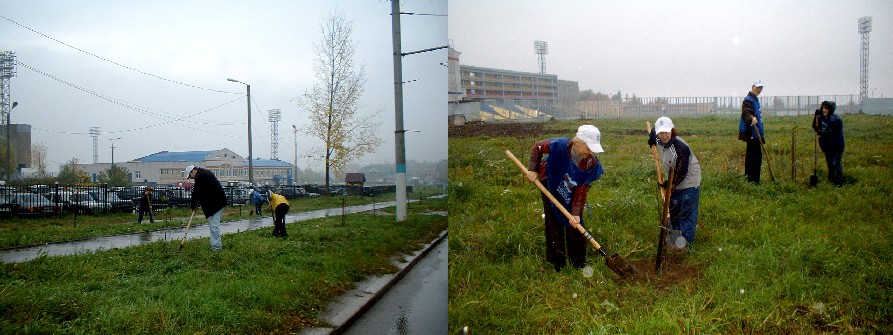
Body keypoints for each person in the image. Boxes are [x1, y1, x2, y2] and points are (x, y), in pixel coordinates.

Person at [526, 125, 605, 272]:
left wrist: (575, 213)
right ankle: (557, 263)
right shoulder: (559, 145)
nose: (591, 152)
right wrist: (533, 169)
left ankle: (578, 262)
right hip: (549, 183)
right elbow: (537, 148)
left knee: (575, 223)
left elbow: (582, 188)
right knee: (553, 221)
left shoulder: (590, 162)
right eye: (589, 148)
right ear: (578, 143)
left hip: (572, 190)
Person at [648, 117, 702, 251]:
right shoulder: (658, 139)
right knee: (674, 210)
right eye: (661, 133)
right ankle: (674, 239)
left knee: (686, 211)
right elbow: (653, 133)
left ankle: (685, 244)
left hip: (689, 180)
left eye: (667, 132)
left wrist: (669, 185)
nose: (664, 136)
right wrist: (651, 138)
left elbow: (682, 171)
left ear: (672, 130)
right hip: (674, 179)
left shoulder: (680, 147)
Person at [184, 164, 227, 251]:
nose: (191, 178)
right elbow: (203, 191)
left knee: (214, 226)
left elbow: (196, 192)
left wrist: (193, 205)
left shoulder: (201, 176)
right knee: (213, 226)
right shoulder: (203, 174)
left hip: (216, 203)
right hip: (216, 202)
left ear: (193, 171)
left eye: (190, 176)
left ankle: (217, 248)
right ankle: (215, 246)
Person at [812, 101, 845, 186]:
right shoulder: (822, 118)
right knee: (830, 164)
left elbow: (829, 132)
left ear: (831, 109)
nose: (824, 110)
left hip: (837, 145)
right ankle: (831, 180)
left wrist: (820, 131)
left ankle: (839, 182)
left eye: (826, 108)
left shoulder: (836, 120)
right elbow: (815, 127)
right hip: (827, 146)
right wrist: (815, 117)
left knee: (836, 164)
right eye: (823, 108)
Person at [739, 80, 765, 184]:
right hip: (752, 133)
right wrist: (751, 118)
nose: (759, 90)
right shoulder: (748, 100)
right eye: (757, 87)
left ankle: (754, 180)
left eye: (761, 88)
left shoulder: (755, 100)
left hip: (757, 132)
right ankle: (751, 181)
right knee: (753, 158)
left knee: (756, 157)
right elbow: (746, 112)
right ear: (752, 87)